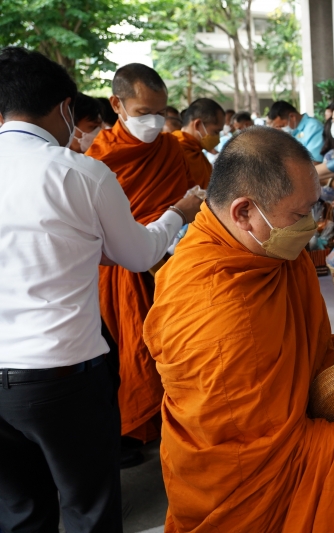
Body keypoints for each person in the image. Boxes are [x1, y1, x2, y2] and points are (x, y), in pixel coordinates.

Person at [142, 126, 334, 532]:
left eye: (312, 208)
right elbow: (262, 456)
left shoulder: (266, 250)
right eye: (299, 214)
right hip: (247, 496)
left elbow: (298, 351)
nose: (310, 225)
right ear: (243, 212)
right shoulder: (215, 309)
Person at [0, 47, 201, 533]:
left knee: (20, 512)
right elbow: (137, 254)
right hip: (64, 371)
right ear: (67, 107)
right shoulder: (82, 171)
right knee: (89, 507)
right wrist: (176, 212)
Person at [85, 63, 194, 462]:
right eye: (143, 111)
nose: (154, 121)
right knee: (128, 348)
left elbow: (185, 198)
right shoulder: (99, 158)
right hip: (118, 270)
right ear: (117, 104)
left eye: (160, 112)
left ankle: (164, 418)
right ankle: (132, 427)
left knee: (168, 345)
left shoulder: (169, 148)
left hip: (169, 265)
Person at [172, 98, 225, 189]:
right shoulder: (172, 150)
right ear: (198, 125)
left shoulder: (198, 153)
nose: (218, 139)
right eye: (216, 132)